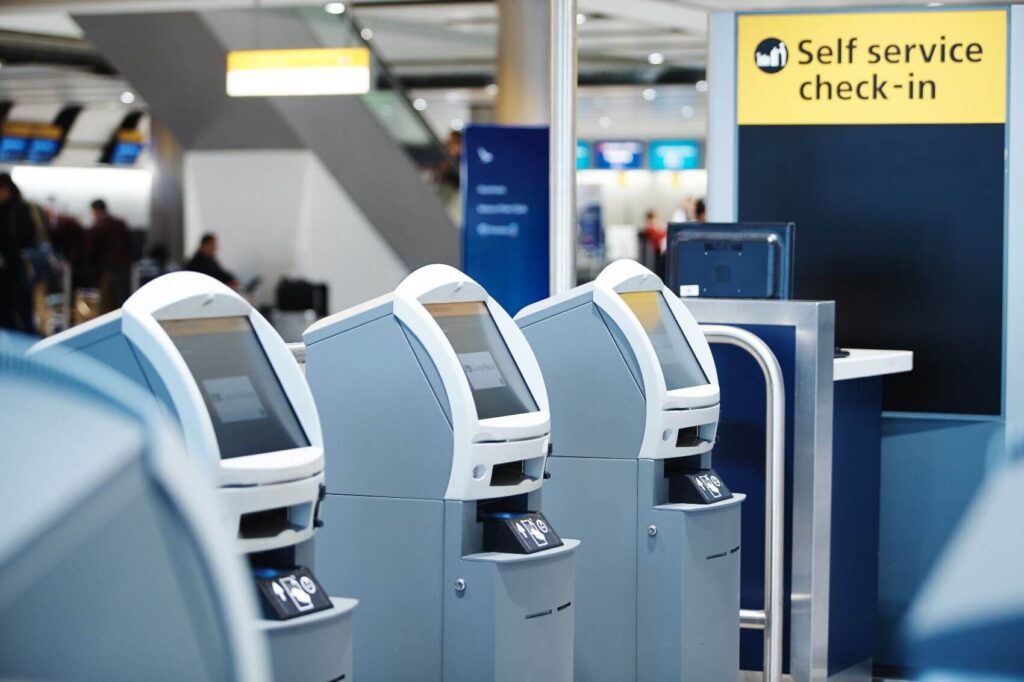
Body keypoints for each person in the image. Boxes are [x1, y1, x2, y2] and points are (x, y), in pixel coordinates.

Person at [0, 173, 43, 333]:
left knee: (15, 309)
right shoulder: (22, 207)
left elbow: (25, 238)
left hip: (14, 268)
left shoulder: (16, 209)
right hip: (16, 268)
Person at [87, 199, 134, 314]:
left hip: (107, 271)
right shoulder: (120, 223)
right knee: (123, 302)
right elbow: (129, 246)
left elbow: (93, 252)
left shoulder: (98, 228)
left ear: (95, 211)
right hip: (124, 269)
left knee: (106, 306)